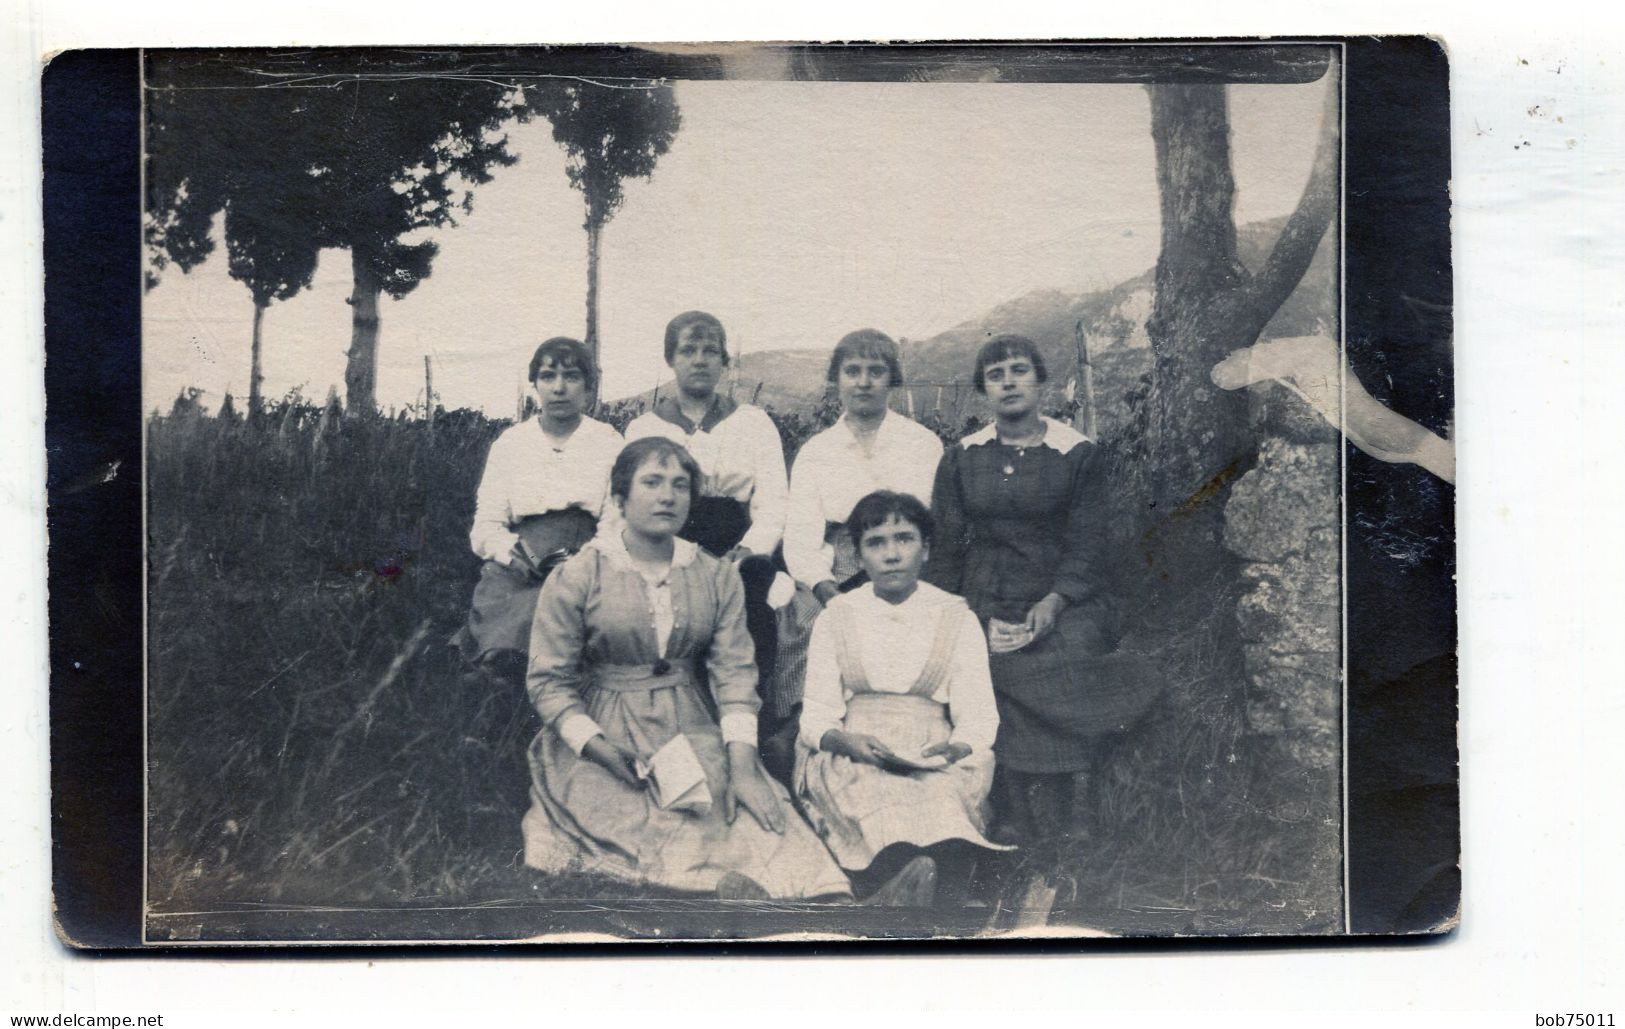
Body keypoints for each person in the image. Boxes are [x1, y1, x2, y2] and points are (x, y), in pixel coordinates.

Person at [520, 437, 935, 904]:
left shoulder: (714, 575)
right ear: (620, 498)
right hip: (604, 733)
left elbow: (735, 675)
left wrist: (743, 765)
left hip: (688, 722)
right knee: (645, 816)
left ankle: (837, 904)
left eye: (680, 485)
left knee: (747, 802)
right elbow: (549, 682)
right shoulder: (579, 575)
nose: (667, 496)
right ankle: (746, 901)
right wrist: (595, 746)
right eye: (652, 483)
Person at [926, 334, 1159, 846]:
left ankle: (1079, 795)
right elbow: (944, 549)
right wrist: (964, 614)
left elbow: (1089, 543)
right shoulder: (962, 457)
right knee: (985, 662)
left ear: (1040, 380)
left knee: (1070, 650)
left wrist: (1056, 601)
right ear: (984, 389)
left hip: (1064, 593)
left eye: (1018, 370)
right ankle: (1012, 803)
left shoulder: (1077, 454)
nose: (1008, 382)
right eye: (995, 374)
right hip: (985, 592)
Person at [795, 491, 1009, 906]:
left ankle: (941, 896)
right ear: (857, 555)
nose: (891, 554)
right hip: (858, 746)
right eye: (876, 543)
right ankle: (898, 892)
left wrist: (957, 747)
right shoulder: (836, 616)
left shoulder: (955, 617)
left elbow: (979, 717)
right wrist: (844, 742)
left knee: (938, 798)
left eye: (904, 539)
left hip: (931, 746)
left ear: (925, 549)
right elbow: (817, 714)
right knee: (874, 796)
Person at [767, 329, 943, 777]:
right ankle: (798, 732)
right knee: (805, 620)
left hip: (904, 562)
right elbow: (801, 539)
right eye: (853, 372)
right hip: (836, 566)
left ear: (892, 380)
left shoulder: (922, 445)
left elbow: (930, 527)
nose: (864, 382)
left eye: (875, 372)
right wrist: (829, 592)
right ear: (837, 380)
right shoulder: (816, 451)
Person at [623, 312, 789, 746]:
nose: (700, 360)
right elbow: (632, 506)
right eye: (688, 350)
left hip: (740, 551)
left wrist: (745, 553)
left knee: (750, 617)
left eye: (710, 351)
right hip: (671, 546)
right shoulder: (645, 428)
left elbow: (773, 503)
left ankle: (748, 733)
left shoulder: (754, 423)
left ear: (725, 361)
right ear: (670, 359)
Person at [456, 336, 624, 682]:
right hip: (521, 557)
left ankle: (518, 670)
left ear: (589, 387)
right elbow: (486, 524)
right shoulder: (511, 444)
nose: (559, 388)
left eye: (572, 377)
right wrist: (510, 553)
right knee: (504, 597)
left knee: (559, 601)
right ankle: (500, 671)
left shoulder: (608, 442)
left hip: (585, 554)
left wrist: (585, 559)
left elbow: (616, 522)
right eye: (548, 376)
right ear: (535, 384)